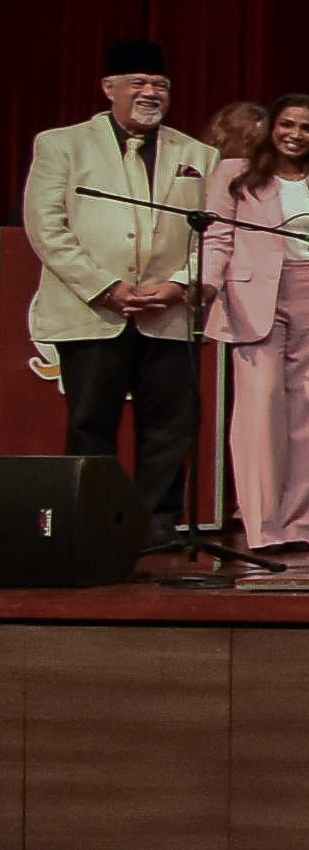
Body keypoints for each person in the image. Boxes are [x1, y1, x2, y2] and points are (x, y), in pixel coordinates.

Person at [23, 36, 219, 523]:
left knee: (170, 428)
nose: (150, 93)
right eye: (138, 83)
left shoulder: (199, 154)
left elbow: (214, 235)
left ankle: (155, 527)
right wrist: (105, 287)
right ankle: (90, 526)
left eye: (160, 84)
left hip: (168, 312)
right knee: (91, 423)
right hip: (92, 311)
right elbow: (46, 227)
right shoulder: (61, 144)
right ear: (109, 88)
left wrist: (180, 284)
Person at [197, 93, 309, 551]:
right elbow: (218, 237)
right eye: (287, 124)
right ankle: (263, 526)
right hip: (255, 296)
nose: (295, 135)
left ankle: (300, 526)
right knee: (260, 407)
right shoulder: (236, 172)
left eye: (307, 128)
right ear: (272, 127)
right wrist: (206, 284)